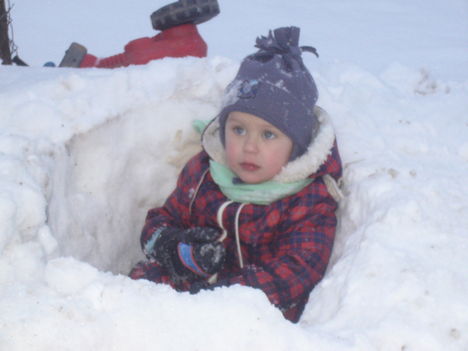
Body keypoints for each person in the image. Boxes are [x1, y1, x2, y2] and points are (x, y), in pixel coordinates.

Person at [130, 26, 343, 323]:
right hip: (191, 289)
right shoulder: (205, 172)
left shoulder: (307, 198)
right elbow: (161, 219)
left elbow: (298, 270)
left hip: (253, 312)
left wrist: (220, 296)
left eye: (269, 135)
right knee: (142, 281)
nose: (249, 146)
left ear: (296, 146)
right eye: (239, 129)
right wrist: (177, 249)